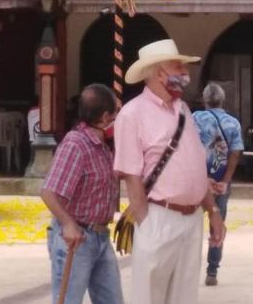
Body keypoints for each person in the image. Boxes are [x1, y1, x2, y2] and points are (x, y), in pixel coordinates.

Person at [114, 39, 226, 304]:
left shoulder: (184, 110)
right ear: (158, 72)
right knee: (149, 297)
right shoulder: (132, 114)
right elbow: (131, 175)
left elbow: (197, 168)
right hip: (158, 217)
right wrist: (146, 223)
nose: (185, 73)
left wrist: (214, 211)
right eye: (178, 66)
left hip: (192, 220)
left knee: (184, 297)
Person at [41, 84, 122, 304]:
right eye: (116, 113)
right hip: (76, 240)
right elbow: (49, 192)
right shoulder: (76, 145)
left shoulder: (103, 147)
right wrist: (68, 224)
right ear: (105, 117)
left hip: (100, 237)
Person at [193, 81, 244, 287]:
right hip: (221, 182)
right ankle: (212, 271)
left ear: (204, 100)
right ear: (223, 100)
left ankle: (188, 268)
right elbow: (235, 153)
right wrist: (225, 181)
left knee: (191, 227)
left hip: (196, 182)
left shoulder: (195, 118)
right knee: (218, 226)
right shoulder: (233, 123)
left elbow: (189, 150)